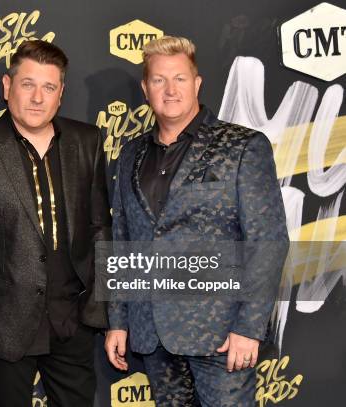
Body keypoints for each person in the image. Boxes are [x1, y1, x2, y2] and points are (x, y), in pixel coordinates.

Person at [105, 36, 288, 406]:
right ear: (145, 88)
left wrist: (248, 328)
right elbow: (123, 241)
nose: (170, 90)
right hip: (152, 332)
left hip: (221, 335)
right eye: (159, 80)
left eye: (180, 79)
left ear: (197, 83)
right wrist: (119, 320)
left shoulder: (242, 146)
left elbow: (267, 242)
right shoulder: (131, 154)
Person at [0, 40, 111, 406]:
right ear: (7, 87)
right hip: (3, 322)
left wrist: (104, 311)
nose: (38, 97)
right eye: (28, 84)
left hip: (73, 320)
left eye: (49, 87)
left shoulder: (87, 141)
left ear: (61, 94)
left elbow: (102, 228)